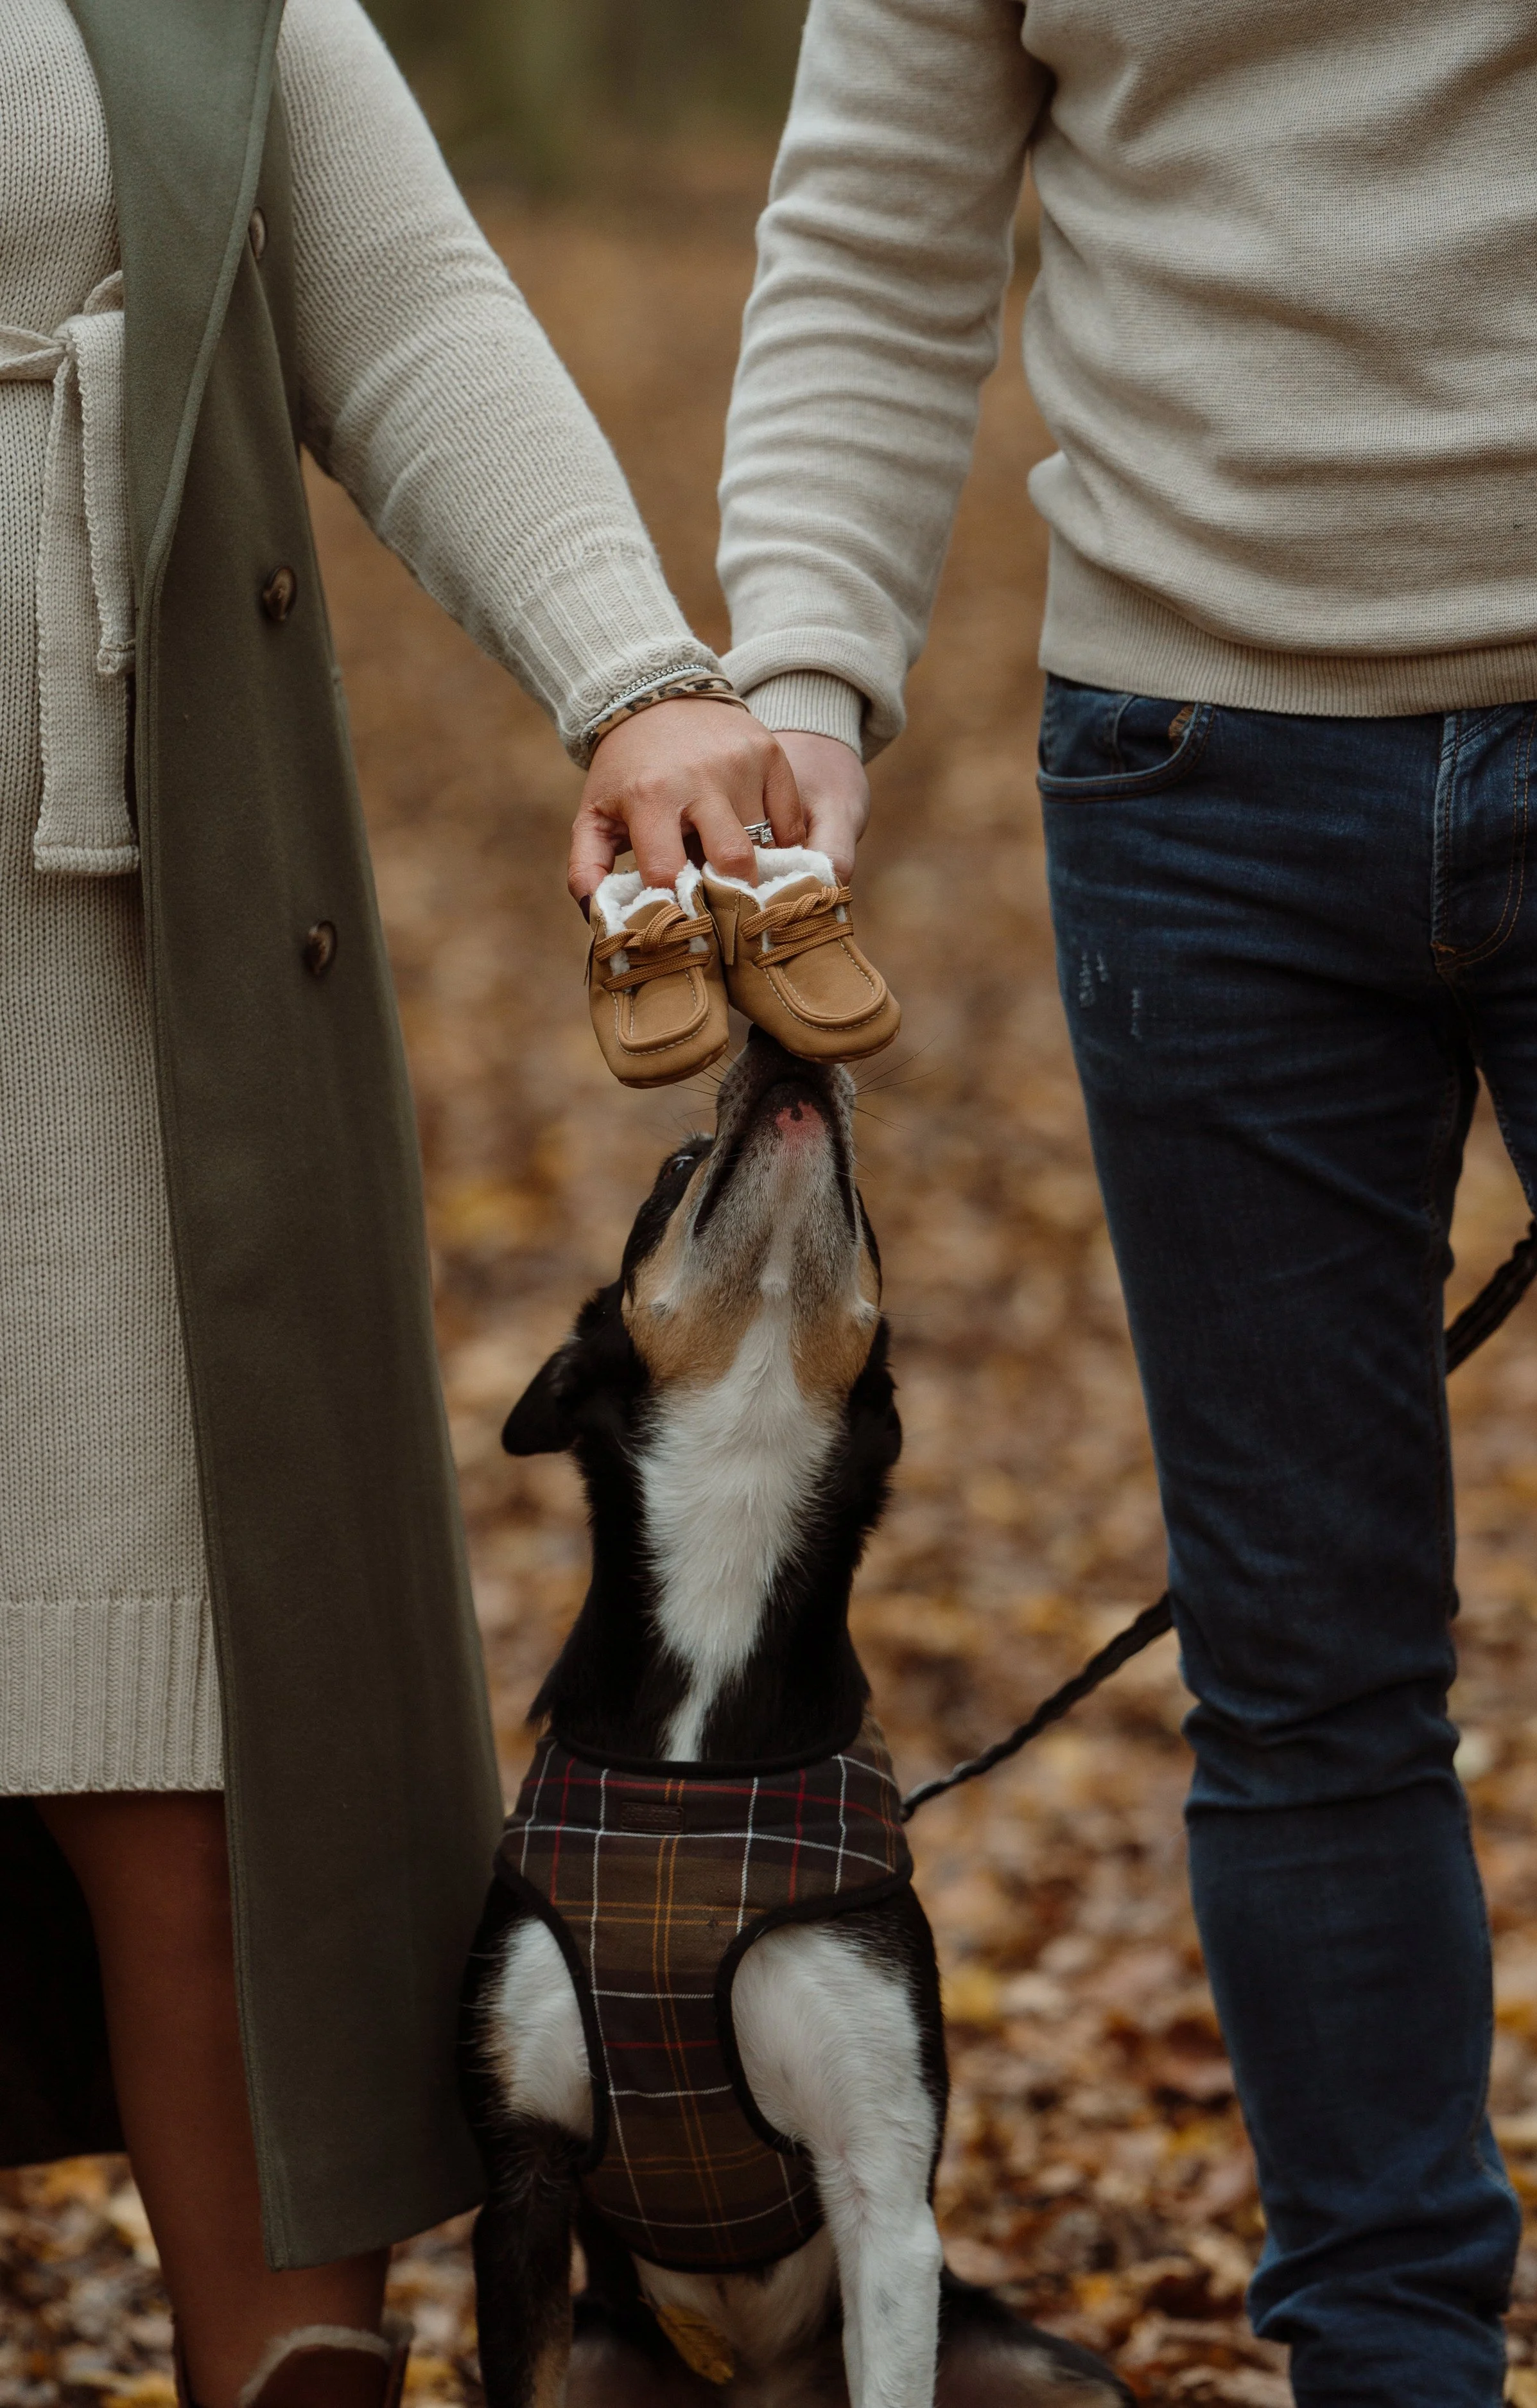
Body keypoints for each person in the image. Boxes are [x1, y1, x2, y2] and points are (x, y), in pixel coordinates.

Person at [641, 1, 1537, 2400]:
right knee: (1302, 1668)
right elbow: (876, 231)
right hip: (1196, 773)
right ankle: (1389, 2356)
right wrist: (805, 683)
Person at [0, 4, 790, 2405]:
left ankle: (295, 2368)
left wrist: (637, 679)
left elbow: (411, 306)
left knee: (181, 1729)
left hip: (123, 968)